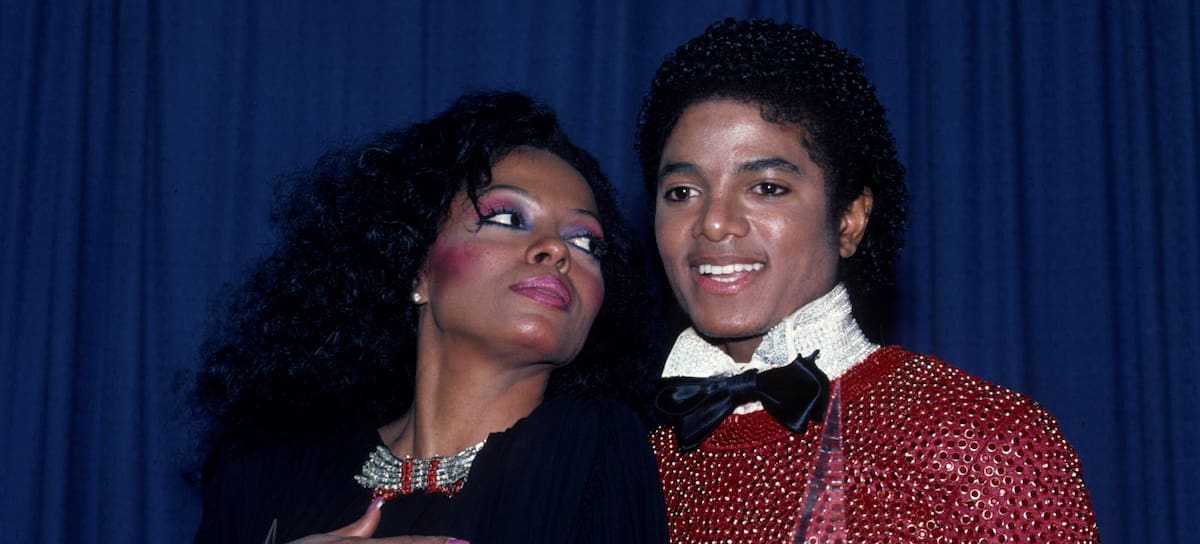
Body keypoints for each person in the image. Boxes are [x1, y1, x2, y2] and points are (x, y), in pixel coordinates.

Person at [636, 19, 1098, 542]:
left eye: (766, 187)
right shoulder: (629, 461)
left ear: (849, 219)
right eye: (681, 192)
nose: (714, 223)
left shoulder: (984, 439)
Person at [192, 92, 667, 543]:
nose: (557, 250)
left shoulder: (592, 447)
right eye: (506, 218)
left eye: (586, 243)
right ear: (416, 267)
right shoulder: (263, 474)